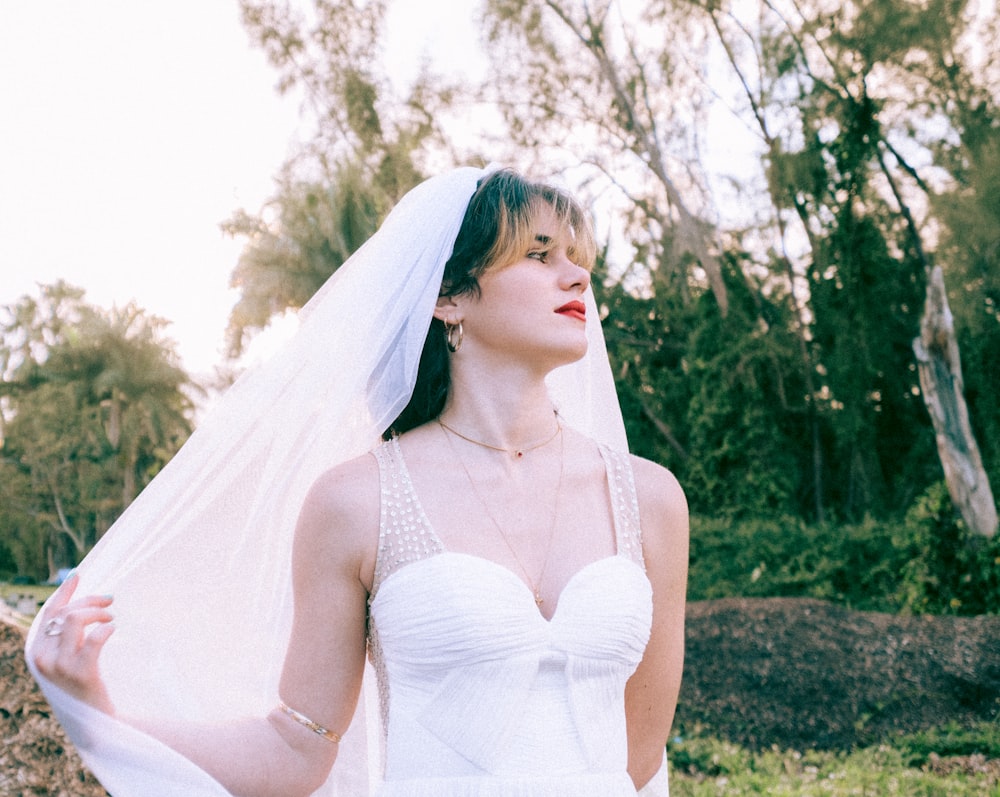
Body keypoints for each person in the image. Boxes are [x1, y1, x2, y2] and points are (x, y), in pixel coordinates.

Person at [27, 166, 689, 797]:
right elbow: (296, 745)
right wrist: (105, 718)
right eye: (540, 255)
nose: (578, 277)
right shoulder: (357, 501)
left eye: (579, 258)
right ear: (449, 297)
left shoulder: (650, 500)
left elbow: (638, 759)